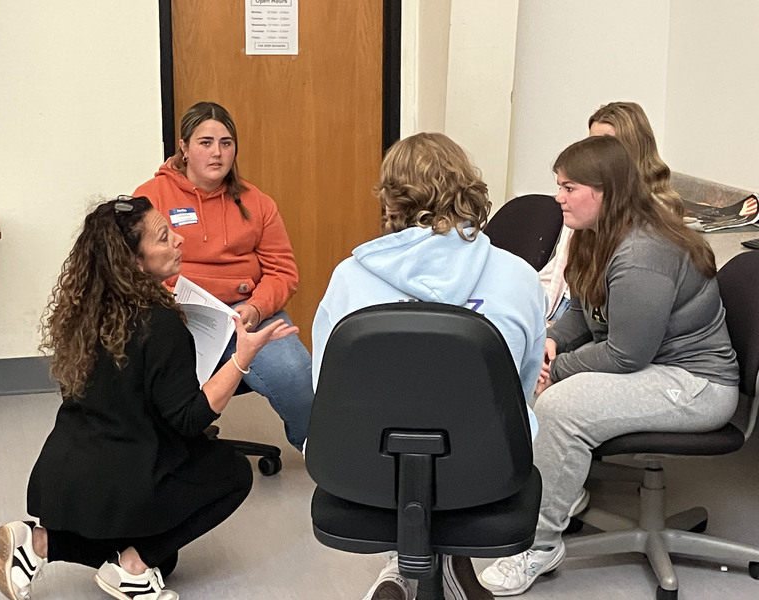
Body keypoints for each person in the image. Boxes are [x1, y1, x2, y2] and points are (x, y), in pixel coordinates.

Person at [0, 197, 299, 600]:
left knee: (164, 560)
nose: (178, 240)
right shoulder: (160, 322)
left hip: (64, 478)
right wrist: (241, 358)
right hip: (120, 482)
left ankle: (39, 543)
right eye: (162, 238)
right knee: (233, 473)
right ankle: (131, 569)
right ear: (135, 263)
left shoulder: (86, 311)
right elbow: (189, 419)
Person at [478, 135, 739, 596]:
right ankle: (561, 488)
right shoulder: (592, 235)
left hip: (697, 384)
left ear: (606, 192)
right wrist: (552, 343)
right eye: (558, 185)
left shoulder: (644, 252)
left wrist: (557, 371)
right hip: (652, 365)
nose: (558, 197)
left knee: (561, 406)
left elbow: (625, 355)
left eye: (569, 187)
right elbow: (582, 309)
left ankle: (539, 545)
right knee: (528, 375)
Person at [311, 132, 547, 600]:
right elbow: (520, 391)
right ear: (468, 190)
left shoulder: (349, 280)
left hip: (364, 475)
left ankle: (404, 566)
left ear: (390, 199)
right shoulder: (518, 276)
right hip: (487, 472)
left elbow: (325, 388)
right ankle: (446, 566)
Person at [134, 101, 312, 451]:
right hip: (179, 314)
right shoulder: (151, 197)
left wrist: (257, 309)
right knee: (148, 377)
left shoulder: (257, 202)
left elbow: (282, 271)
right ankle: (164, 454)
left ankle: (321, 453)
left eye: (226, 143)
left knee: (296, 374)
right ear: (184, 147)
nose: (217, 153)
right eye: (205, 142)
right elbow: (134, 266)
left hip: (246, 312)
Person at [540, 101, 683, 322]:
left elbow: (622, 344)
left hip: (603, 317)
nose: (595, 153)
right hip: (572, 307)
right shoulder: (587, 204)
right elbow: (560, 271)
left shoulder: (652, 218)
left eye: (605, 143)